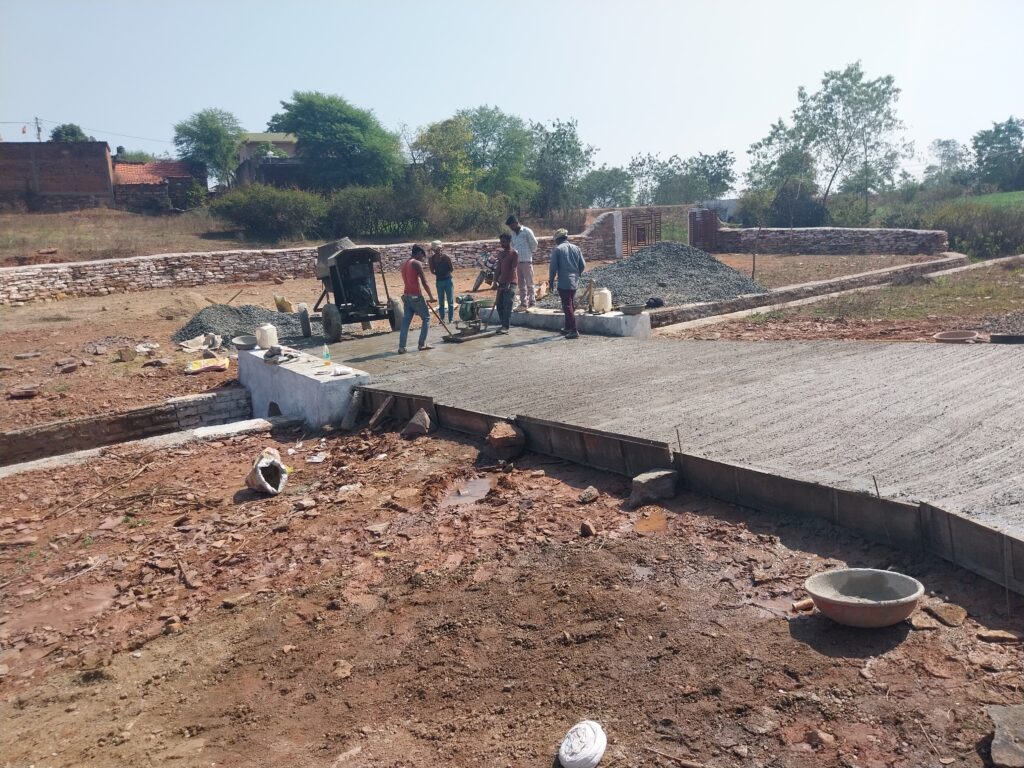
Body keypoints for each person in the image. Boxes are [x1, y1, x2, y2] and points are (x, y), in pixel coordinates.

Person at [548, 228, 586, 339]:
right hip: (574, 282)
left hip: (564, 282)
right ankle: (568, 327)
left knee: (567, 305)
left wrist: (551, 281)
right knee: (569, 304)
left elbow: (553, 268)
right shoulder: (576, 248)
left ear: (558, 239)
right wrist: (577, 274)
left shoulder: (557, 250)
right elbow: (583, 265)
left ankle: (574, 330)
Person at [398, 244, 436, 354]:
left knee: (406, 322)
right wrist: (431, 297)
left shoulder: (405, 263)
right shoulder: (416, 263)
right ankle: (422, 344)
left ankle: (401, 347)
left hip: (406, 296)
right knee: (426, 318)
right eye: (422, 256)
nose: (422, 259)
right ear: (419, 253)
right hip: (415, 296)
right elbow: (424, 282)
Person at [506, 215, 539, 310]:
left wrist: (529, 253)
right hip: (517, 263)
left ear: (516, 223)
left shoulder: (527, 231)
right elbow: (512, 246)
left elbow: (534, 244)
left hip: (526, 261)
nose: (511, 228)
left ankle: (532, 303)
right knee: (521, 285)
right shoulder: (513, 234)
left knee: (530, 284)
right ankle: (523, 304)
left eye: (511, 225)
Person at [494, 233, 519, 334]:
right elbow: (498, 268)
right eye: (501, 242)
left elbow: (513, 269)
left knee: (507, 304)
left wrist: (508, 283)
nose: (501, 244)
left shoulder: (514, 253)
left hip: (511, 282)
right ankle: (503, 324)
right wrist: (494, 281)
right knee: (499, 304)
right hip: (501, 282)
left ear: (509, 241)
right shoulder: (500, 254)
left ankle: (505, 327)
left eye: (503, 242)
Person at [428, 240, 455, 323]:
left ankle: (450, 319)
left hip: (447, 280)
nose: (437, 251)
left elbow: (452, 268)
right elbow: (432, 270)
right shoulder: (431, 259)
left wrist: (441, 274)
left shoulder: (446, 257)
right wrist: (442, 274)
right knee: (441, 301)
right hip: (441, 281)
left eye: (438, 249)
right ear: (433, 250)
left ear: (441, 249)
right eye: (435, 250)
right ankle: (442, 319)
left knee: (450, 301)